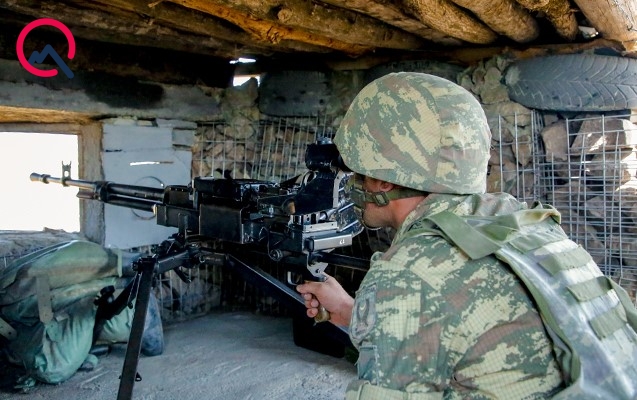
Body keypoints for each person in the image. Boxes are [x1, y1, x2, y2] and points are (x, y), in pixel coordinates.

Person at [296, 72, 566, 399]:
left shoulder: (409, 273)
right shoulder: (524, 221)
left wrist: (390, 297)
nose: (352, 181)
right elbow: (471, 325)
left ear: (383, 180)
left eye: (356, 170)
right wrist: (354, 312)